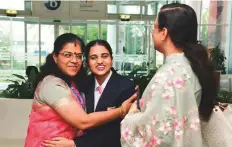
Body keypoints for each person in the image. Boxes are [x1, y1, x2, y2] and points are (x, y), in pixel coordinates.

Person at [120, 3, 216, 147]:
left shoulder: (168, 76)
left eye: (154, 28)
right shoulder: (191, 66)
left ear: (164, 33)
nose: (152, 33)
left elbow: (158, 134)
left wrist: (131, 115)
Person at [24, 33, 137, 147]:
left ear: (112, 59)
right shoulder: (78, 84)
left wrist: (77, 144)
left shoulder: (126, 86)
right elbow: (84, 121)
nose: (99, 61)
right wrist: (121, 110)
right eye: (68, 55)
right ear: (87, 62)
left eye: (78, 56)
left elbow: (118, 131)